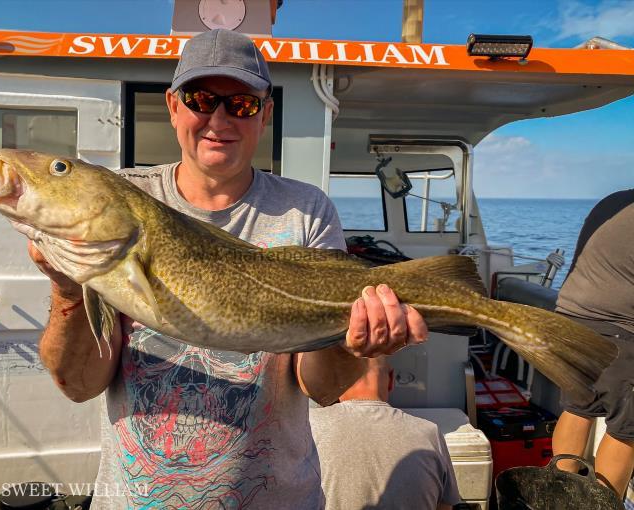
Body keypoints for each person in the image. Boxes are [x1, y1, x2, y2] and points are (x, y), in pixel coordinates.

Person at [31, 29, 428, 509]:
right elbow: (80, 385)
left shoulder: (305, 210)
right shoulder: (129, 197)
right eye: (201, 99)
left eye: (240, 104)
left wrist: (354, 345)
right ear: (174, 106)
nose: (218, 118)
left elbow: (319, 387)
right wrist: (69, 290)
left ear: (265, 115)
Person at [552, 188, 634, 498]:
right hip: (620, 329)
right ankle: (605, 504)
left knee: (578, 408)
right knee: (626, 429)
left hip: (571, 319)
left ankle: (557, 494)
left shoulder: (613, 201)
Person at [309, 357, 459, 510]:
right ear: (391, 380)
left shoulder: (310, 426)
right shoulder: (430, 433)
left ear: (336, 381)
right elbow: (444, 507)